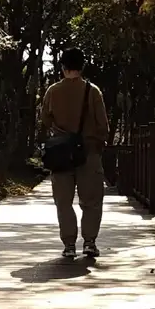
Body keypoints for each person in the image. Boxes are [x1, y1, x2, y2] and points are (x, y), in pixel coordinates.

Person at [38, 46, 110, 261]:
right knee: (92, 200)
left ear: (62, 67)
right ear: (82, 67)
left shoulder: (53, 91)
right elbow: (103, 125)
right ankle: (89, 242)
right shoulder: (93, 91)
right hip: (88, 152)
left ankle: (69, 244)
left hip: (60, 154)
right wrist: (98, 143)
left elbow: (44, 119)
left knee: (63, 201)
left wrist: (59, 133)